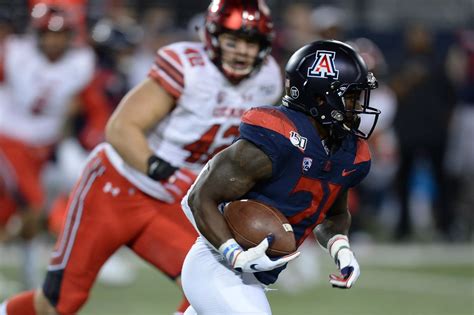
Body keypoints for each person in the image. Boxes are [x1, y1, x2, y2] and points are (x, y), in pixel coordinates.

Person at [0, 0, 282, 314]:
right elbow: (122, 127)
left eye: (252, 43)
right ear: (213, 37)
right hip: (118, 186)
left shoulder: (267, 79)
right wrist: (166, 173)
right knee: (59, 303)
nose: (242, 52)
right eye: (233, 41)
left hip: (174, 199)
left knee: (208, 288)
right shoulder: (188, 67)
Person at [181, 39, 381, 314]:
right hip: (217, 264)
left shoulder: (346, 152)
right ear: (321, 98)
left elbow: (332, 214)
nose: (357, 106)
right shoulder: (278, 138)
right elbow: (198, 197)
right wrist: (235, 254)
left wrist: (341, 249)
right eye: (350, 97)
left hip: (254, 279)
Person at [0, 4, 94, 288]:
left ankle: (28, 275)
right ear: (36, 35)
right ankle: (31, 278)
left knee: (9, 211)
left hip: (43, 145)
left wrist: (60, 142)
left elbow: (73, 106)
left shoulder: (81, 62)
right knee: (35, 208)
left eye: (60, 35)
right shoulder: (15, 52)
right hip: (10, 137)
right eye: (48, 35)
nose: (54, 41)